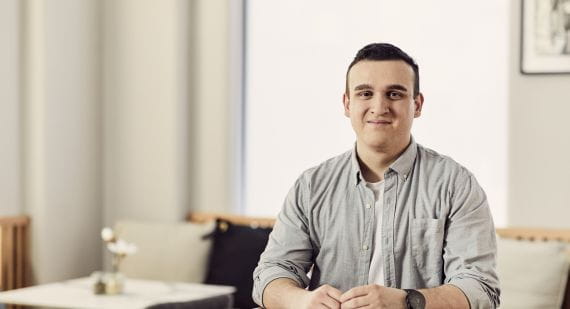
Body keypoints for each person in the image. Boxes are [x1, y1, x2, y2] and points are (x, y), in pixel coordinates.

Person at [252, 43, 500, 309]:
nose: (379, 106)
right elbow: (271, 273)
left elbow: (480, 289)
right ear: (347, 104)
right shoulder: (311, 186)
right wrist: (302, 301)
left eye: (394, 94)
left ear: (416, 105)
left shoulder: (456, 185)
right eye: (365, 93)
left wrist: (408, 301)